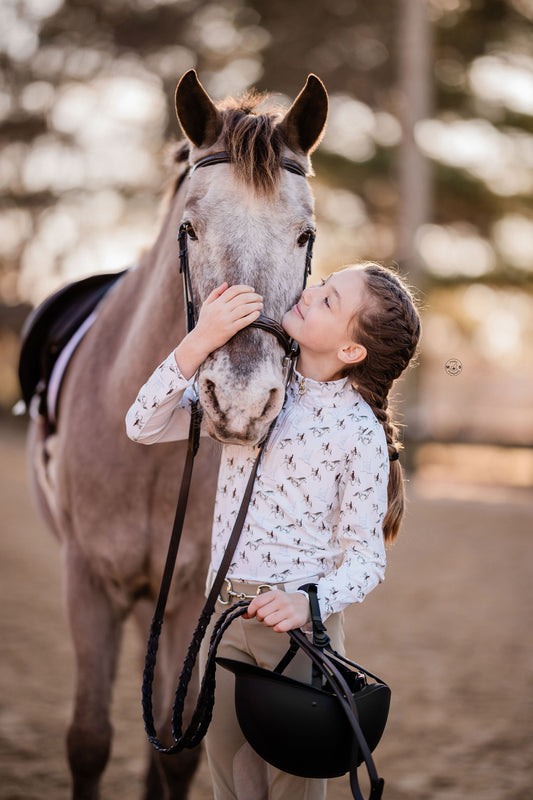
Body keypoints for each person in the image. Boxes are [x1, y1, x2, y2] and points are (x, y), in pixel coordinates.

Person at [126, 262, 421, 800]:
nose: (309, 292)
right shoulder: (250, 388)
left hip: (299, 638)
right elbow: (142, 424)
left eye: (330, 300)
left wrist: (309, 602)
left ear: (352, 351)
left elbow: (368, 561)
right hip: (225, 620)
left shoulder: (358, 433)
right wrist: (200, 341)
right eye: (321, 283)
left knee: (294, 792)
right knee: (230, 787)